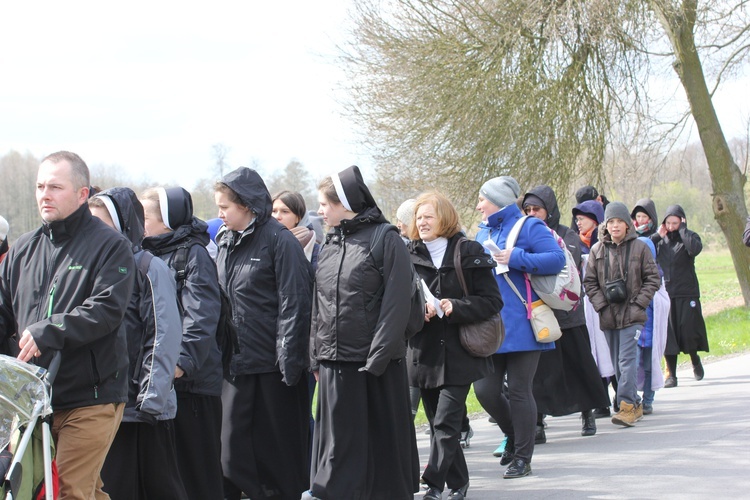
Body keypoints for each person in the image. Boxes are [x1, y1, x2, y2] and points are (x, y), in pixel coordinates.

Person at [0, 151, 134, 499]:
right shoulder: (22, 249)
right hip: (31, 400)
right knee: (51, 488)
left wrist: (49, 330)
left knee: (69, 491)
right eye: (40, 186)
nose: (45, 194)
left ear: (82, 194)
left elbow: (106, 310)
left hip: (91, 395)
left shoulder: (111, 246)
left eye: (56, 187)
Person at [307, 165, 419, 499]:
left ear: (344, 203)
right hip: (333, 365)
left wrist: (378, 358)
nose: (320, 211)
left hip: (374, 367)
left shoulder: (386, 240)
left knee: (379, 449)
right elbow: (319, 303)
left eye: (325, 204)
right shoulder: (331, 242)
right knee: (339, 448)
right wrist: (315, 354)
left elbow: (397, 304)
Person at [215, 167, 313, 500]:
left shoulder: (279, 241)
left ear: (245, 205)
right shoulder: (225, 242)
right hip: (236, 367)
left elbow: (296, 303)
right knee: (231, 455)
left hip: (274, 369)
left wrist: (289, 362)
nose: (220, 214)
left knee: (278, 461)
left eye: (225, 206)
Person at [90, 188, 187, 500]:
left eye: (101, 223)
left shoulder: (148, 267)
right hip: (104, 406)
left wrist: (149, 400)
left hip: (141, 409)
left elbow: (163, 336)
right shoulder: (94, 268)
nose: (93, 231)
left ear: (122, 225)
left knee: (158, 489)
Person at [407, 191, 502, 500]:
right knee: (438, 425)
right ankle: (458, 484)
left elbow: (492, 301)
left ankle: (432, 484)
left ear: (444, 218)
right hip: (424, 354)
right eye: (418, 217)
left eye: (428, 216)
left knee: (446, 422)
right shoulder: (407, 255)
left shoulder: (468, 251)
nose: (422, 222)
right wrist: (419, 310)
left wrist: (455, 306)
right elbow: (396, 303)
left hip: (460, 353)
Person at [473, 176, 565, 479]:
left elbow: (556, 259)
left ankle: (523, 457)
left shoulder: (529, 226)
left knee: (519, 391)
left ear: (497, 200)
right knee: (484, 389)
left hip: (525, 322)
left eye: (482, 199)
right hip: (490, 323)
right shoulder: (483, 230)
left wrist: (517, 257)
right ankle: (513, 435)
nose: (478, 205)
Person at [140, 187, 225, 500]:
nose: (140, 223)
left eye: (145, 216)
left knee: (198, 472)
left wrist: (180, 366)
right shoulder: (148, 253)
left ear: (167, 220)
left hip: (192, 384)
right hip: (163, 383)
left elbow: (201, 317)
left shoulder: (193, 254)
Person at [522, 186, 610, 442]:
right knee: (538, 374)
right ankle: (537, 421)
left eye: (536, 209)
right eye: (527, 210)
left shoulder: (566, 235)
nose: (531, 214)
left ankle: (587, 413)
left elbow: (561, 265)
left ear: (548, 210)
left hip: (568, 314)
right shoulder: (523, 236)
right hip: (539, 313)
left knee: (578, 367)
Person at [583, 202, 661, 427]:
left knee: (627, 360)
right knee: (617, 363)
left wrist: (639, 304)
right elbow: (589, 282)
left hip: (633, 315)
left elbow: (652, 279)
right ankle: (634, 403)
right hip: (608, 316)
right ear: (605, 225)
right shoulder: (597, 250)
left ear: (628, 225)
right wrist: (602, 306)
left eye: (619, 221)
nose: (615, 226)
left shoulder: (640, 248)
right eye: (611, 222)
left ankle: (626, 405)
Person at [654, 205, 709, 387]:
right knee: (669, 334)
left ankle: (694, 359)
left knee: (688, 330)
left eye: (675, 223)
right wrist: (657, 236)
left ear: (682, 221)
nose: (671, 226)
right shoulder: (660, 241)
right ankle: (672, 375)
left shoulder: (690, 237)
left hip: (687, 292)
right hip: (667, 293)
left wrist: (683, 230)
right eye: (668, 223)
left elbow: (694, 250)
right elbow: (644, 249)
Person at [573, 200, 617, 419]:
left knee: (609, 347)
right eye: (577, 219)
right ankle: (601, 400)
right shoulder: (574, 242)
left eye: (582, 219)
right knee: (592, 350)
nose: (578, 223)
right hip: (585, 301)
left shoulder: (605, 242)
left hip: (605, 300)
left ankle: (623, 395)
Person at [635, 236, 670, 415]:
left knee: (650, 366)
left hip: (651, 332)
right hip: (635, 332)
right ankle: (633, 399)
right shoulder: (630, 274)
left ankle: (648, 399)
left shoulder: (658, 275)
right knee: (631, 366)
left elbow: (663, 301)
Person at [272, 190, 320, 267]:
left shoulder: (315, 251)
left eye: (285, 211)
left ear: (298, 217)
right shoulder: (262, 243)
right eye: (274, 211)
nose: (277, 216)